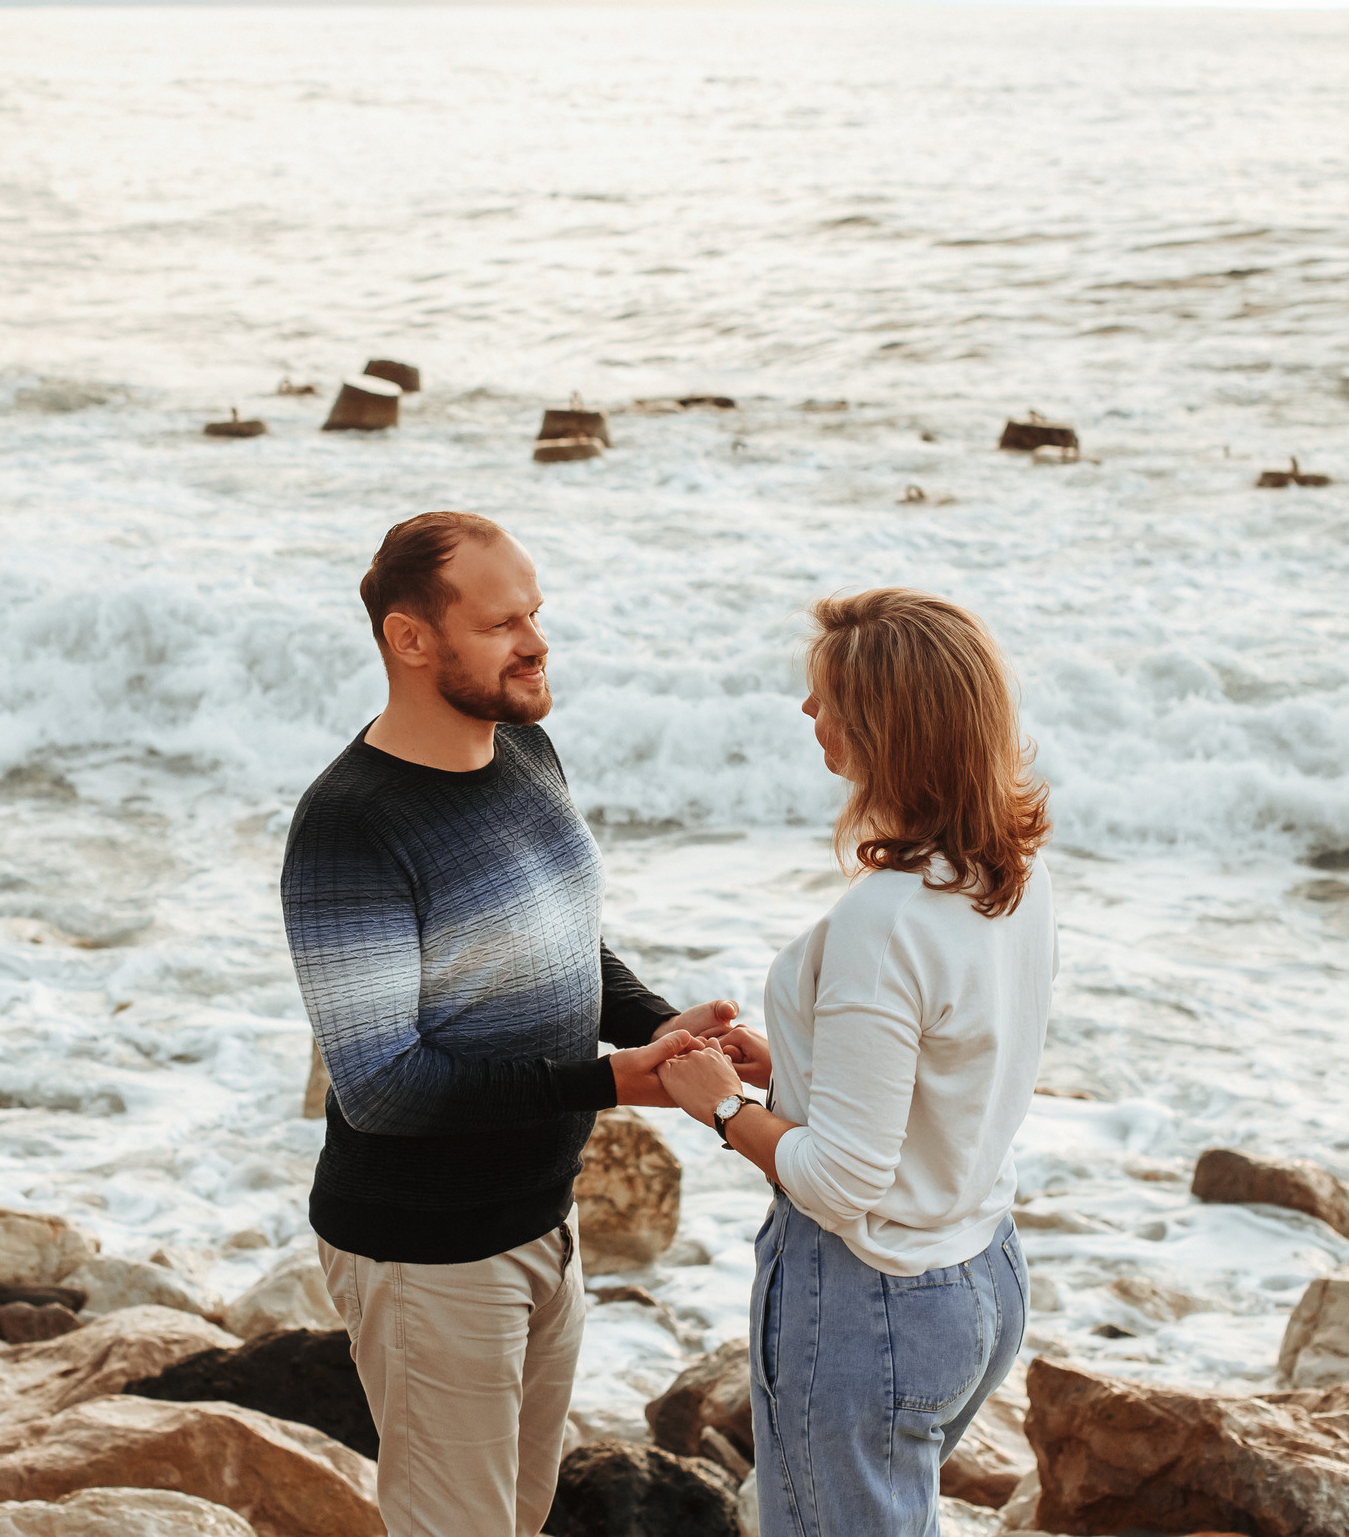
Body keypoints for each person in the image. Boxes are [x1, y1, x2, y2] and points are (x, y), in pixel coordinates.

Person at [283, 511, 760, 1537]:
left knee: (521, 1514)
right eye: (504, 623)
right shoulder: (350, 825)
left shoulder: (527, 751)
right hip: (427, 1252)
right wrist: (612, 1081)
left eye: (536, 613)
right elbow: (383, 1086)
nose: (537, 642)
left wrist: (658, 1026)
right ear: (411, 639)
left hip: (545, 1217)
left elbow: (563, 939)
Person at [658, 587, 1055, 1537]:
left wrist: (723, 1109)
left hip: (868, 1299)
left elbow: (842, 1180)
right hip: (980, 1275)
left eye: (827, 697)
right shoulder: (1006, 871)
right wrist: (787, 1066)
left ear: (886, 726)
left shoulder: (886, 917)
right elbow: (952, 1062)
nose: (807, 710)